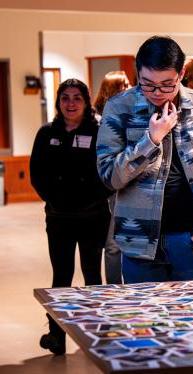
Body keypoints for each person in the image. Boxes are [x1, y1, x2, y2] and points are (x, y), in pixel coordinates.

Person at [97, 36, 193, 284]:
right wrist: (150, 140)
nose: (157, 93)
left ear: (182, 73)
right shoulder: (118, 108)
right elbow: (110, 177)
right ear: (137, 72)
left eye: (167, 84)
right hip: (138, 240)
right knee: (144, 320)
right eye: (148, 84)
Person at [31, 79, 112, 355]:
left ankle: (96, 334)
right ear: (58, 101)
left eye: (77, 98)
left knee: (92, 275)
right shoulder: (47, 133)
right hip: (59, 216)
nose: (71, 103)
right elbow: (37, 173)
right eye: (65, 98)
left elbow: (106, 171)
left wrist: (92, 198)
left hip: (92, 215)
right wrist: (53, 198)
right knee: (61, 276)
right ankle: (56, 336)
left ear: (86, 101)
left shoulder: (99, 130)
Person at [93, 70, 131, 285]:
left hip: (130, 182)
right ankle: (114, 286)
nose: (128, 87)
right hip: (110, 186)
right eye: (122, 84)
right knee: (113, 244)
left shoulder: (134, 110)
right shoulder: (99, 117)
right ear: (111, 89)